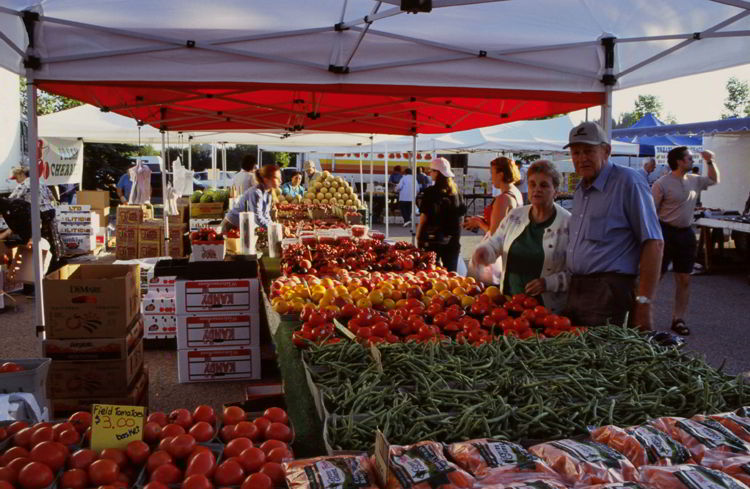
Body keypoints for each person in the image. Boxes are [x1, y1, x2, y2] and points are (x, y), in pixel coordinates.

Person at [563, 122, 664, 329]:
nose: (582, 158)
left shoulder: (628, 182)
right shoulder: (581, 189)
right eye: (576, 152)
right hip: (576, 288)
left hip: (609, 291)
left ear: (606, 150)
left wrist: (644, 303)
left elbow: (654, 243)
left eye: (589, 151)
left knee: (604, 354)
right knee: (580, 355)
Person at [472, 160, 571, 312]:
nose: (537, 189)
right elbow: (496, 242)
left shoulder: (568, 223)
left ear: (556, 191)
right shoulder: (515, 216)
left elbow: (577, 272)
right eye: (532, 184)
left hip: (547, 311)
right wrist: (485, 251)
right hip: (510, 303)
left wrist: (548, 283)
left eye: (544, 185)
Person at [652, 147, 719, 336]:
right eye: (689, 158)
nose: (692, 161)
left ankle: (678, 319)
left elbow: (714, 180)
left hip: (686, 234)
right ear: (680, 161)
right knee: (655, 277)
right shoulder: (662, 183)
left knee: (684, 278)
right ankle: (642, 316)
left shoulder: (694, 180)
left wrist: (710, 161)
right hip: (665, 232)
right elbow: (650, 212)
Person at [416, 158, 467, 272]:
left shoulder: (430, 192)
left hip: (433, 239)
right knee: (451, 273)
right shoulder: (456, 192)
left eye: (431, 170)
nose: (429, 173)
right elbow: (461, 216)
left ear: (437, 173)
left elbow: (424, 217)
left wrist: (418, 235)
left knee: (430, 272)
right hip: (453, 239)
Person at [7, 166, 64, 264]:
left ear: (21, 174)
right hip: (50, 212)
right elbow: (51, 198)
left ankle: (41, 261)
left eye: (16, 178)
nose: (16, 181)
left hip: (39, 214)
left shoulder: (23, 185)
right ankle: (57, 258)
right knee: (53, 236)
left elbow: (10, 201)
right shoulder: (40, 182)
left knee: (38, 238)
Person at [464, 156, 522, 236]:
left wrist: (478, 222)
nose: (491, 178)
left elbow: (494, 234)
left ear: (500, 175)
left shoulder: (503, 198)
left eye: (492, 173)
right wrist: (481, 219)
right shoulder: (515, 191)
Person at [222, 164, 281, 231]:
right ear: (266, 179)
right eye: (277, 178)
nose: (280, 181)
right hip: (231, 226)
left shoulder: (268, 193)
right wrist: (275, 228)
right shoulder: (256, 192)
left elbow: (266, 216)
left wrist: (276, 226)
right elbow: (258, 218)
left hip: (243, 226)